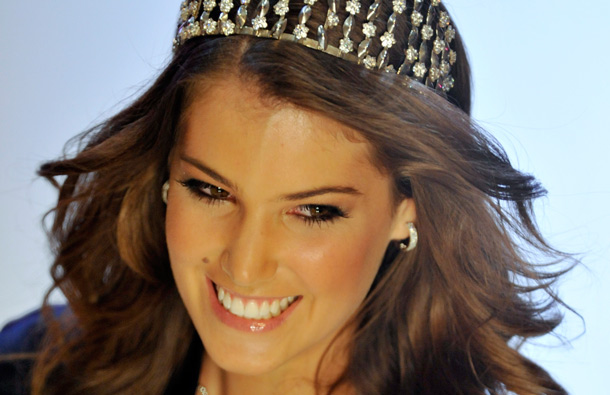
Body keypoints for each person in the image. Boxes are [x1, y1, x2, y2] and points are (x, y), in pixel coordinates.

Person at [0, 0, 572, 394]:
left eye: (313, 211)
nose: (244, 264)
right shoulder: (38, 365)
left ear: (407, 209)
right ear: (164, 176)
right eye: (210, 190)